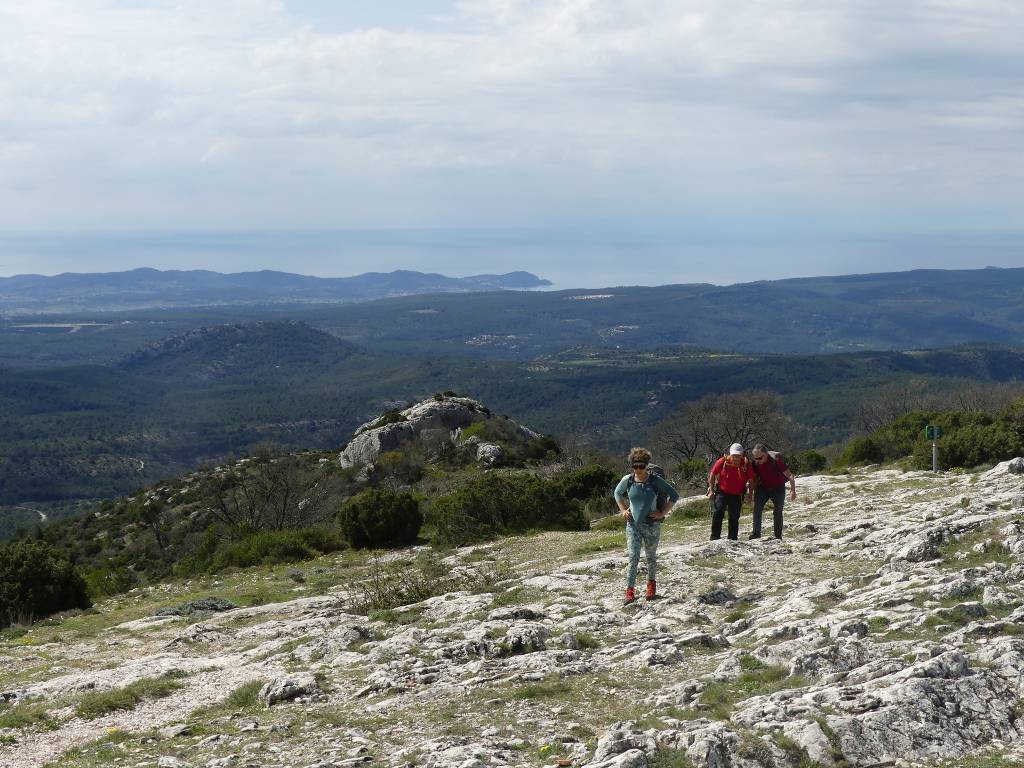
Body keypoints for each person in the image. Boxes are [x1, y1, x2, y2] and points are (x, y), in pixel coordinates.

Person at [614, 447, 680, 604]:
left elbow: (674, 495)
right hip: (633, 525)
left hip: (652, 525)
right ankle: (629, 591)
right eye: (635, 466)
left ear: (647, 465)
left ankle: (651, 587)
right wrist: (623, 510)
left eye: (641, 466)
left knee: (650, 557)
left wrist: (662, 513)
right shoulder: (628, 480)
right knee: (633, 557)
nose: (638, 469)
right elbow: (617, 493)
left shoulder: (655, 481)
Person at [707, 443, 754, 541]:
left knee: (734, 517)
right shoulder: (723, 461)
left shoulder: (746, 464)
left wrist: (750, 495)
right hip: (722, 492)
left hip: (737, 495)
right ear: (730, 454)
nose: (736, 458)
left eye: (738, 456)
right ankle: (714, 537)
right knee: (718, 512)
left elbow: (752, 480)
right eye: (734, 456)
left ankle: (732, 539)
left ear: (742, 455)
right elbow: (712, 475)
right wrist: (711, 490)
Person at [749, 443, 797, 539]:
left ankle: (778, 536)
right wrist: (750, 494)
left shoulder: (776, 461)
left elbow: (790, 476)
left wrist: (793, 490)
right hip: (762, 487)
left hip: (778, 488)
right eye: (756, 458)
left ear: (766, 454)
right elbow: (753, 480)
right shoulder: (755, 463)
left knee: (778, 511)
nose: (758, 460)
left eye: (760, 458)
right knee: (757, 510)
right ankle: (756, 534)